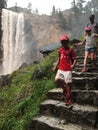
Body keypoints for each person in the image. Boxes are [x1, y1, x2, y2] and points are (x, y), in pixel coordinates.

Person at [52, 34, 76, 106]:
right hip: (61, 68)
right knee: (56, 80)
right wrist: (55, 66)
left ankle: (69, 98)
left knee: (68, 83)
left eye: (65, 41)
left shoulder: (71, 50)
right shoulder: (60, 50)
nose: (63, 43)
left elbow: (74, 59)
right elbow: (59, 59)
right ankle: (65, 89)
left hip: (68, 69)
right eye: (62, 42)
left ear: (67, 42)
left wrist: (73, 65)